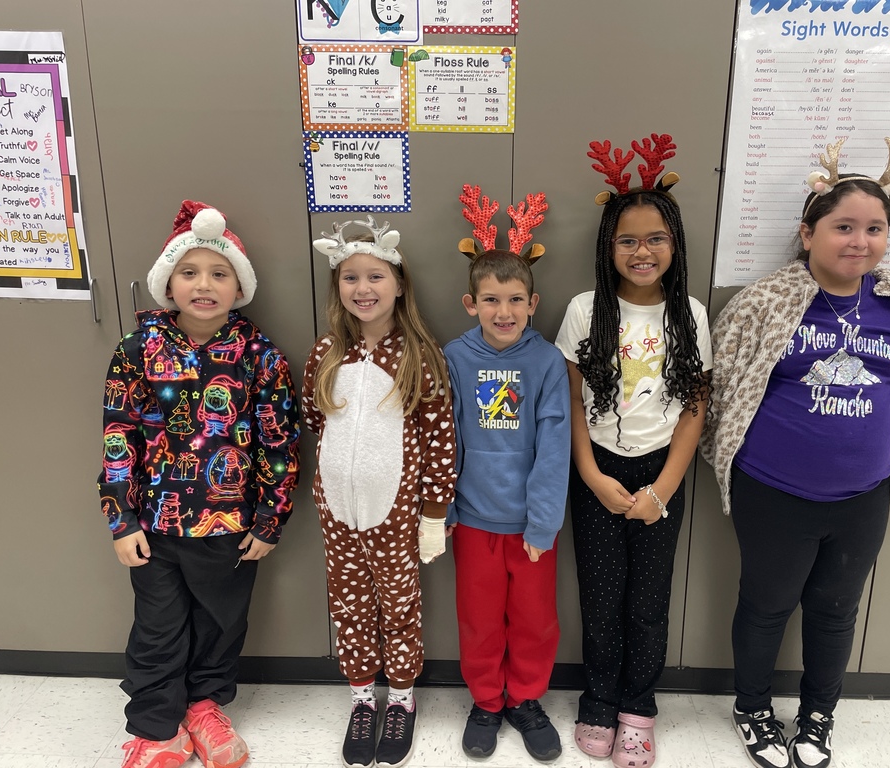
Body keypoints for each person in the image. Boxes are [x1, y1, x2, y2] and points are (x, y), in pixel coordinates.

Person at [701, 137, 890, 768]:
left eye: (874, 229)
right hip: (774, 490)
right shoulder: (765, 301)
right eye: (843, 226)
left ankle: (819, 715)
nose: (859, 241)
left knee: (836, 609)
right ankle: (753, 708)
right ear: (809, 231)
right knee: (765, 605)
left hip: (863, 495)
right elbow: (721, 390)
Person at [99, 200, 301, 768]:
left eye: (219, 274)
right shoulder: (136, 351)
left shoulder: (261, 357)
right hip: (154, 525)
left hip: (232, 527)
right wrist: (120, 520)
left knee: (220, 625)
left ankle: (205, 707)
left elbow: (280, 445)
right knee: (157, 628)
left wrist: (270, 519)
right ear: (168, 283)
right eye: (189, 273)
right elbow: (119, 438)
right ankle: (154, 727)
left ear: (239, 286)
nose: (204, 285)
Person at [555, 134, 712, 768]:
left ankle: (638, 707)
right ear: (607, 247)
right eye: (627, 240)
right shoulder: (583, 310)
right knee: (599, 596)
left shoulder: (690, 314)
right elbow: (569, 400)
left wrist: (662, 491)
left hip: (660, 474)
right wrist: (590, 474)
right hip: (597, 468)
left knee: (648, 601)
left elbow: (695, 408)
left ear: (674, 245)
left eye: (655, 239)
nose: (641, 251)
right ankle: (599, 698)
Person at [302, 217, 457, 768]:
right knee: (348, 604)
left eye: (374, 277)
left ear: (398, 285)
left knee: (399, 605)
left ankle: (403, 697)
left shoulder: (418, 353)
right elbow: (315, 422)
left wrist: (434, 512)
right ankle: (362, 696)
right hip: (337, 512)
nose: (362, 289)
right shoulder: (325, 351)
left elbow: (441, 438)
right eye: (350, 278)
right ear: (337, 287)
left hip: (397, 513)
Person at [444, 186, 571, 762]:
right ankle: (487, 701)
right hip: (472, 520)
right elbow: (442, 441)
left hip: (530, 525)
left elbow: (553, 447)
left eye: (515, 300)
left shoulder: (545, 361)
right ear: (471, 303)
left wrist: (543, 524)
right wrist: (441, 512)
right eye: (491, 300)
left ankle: (524, 698)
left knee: (534, 620)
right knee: (478, 618)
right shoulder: (454, 357)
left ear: (533, 302)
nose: (504, 312)